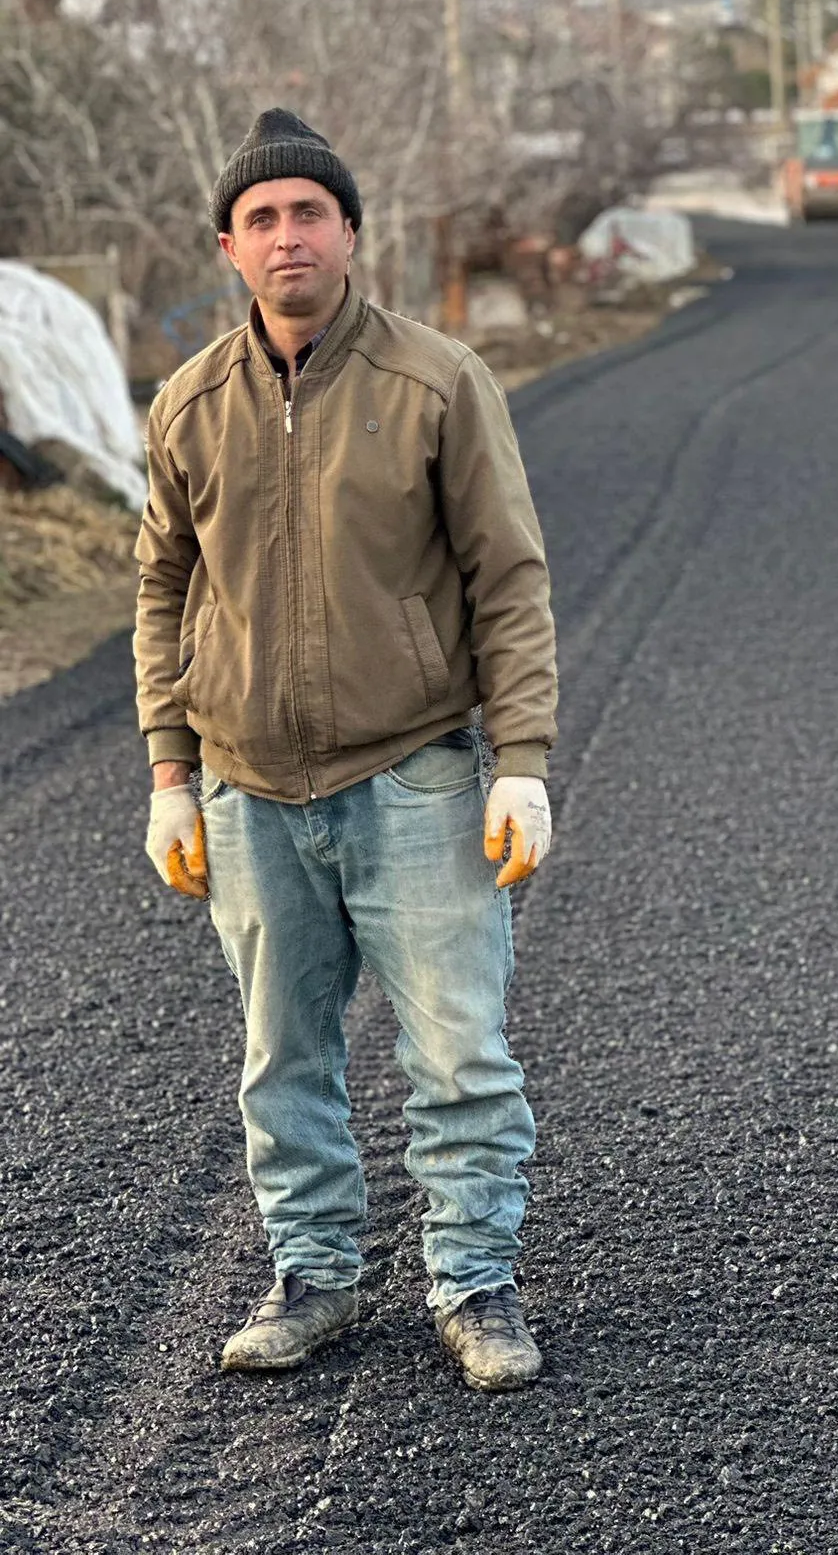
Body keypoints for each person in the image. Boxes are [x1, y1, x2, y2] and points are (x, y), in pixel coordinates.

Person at [134, 107, 558, 1393]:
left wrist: (523, 757)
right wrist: (168, 774)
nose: (287, 235)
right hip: (247, 790)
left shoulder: (436, 380)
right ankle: (313, 1277)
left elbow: (510, 575)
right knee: (283, 1059)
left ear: (352, 233)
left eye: (309, 211)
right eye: (261, 218)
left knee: (459, 1051)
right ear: (229, 248)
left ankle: (474, 1283)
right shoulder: (189, 404)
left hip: (414, 775)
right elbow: (159, 586)